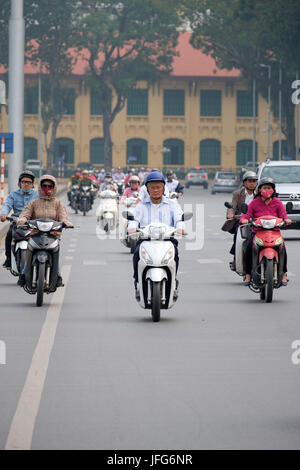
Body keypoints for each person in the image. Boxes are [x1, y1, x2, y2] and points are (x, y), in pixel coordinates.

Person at [128, 171, 185, 298]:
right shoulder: (141, 206)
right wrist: (132, 228)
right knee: (136, 255)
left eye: (158, 187)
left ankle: (173, 281)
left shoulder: (172, 205)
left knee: (174, 256)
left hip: (167, 240)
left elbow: (179, 219)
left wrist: (181, 228)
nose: (155, 190)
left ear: (163, 188)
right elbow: (134, 220)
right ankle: (137, 283)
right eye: (152, 187)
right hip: (146, 240)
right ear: (147, 189)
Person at [17, 175, 73, 287]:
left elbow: (63, 216)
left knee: (54, 253)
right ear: (40, 187)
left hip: (53, 235)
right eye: (44, 186)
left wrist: (66, 223)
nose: (47, 188)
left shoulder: (58, 203)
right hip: (35, 233)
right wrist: (22, 220)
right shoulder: (34, 203)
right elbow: (25, 214)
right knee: (29, 252)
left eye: (50, 186)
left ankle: (57, 276)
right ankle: (23, 275)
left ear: (54, 187)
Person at [240, 177, 292, 286]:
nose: (266, 190)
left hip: (275, 232)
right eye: (264, 188)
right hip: (257, 231)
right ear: (259, 190)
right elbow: (247, 215)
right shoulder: (254, 203)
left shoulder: (277, 203)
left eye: (269, 188)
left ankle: (284, 274)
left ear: (273, 190)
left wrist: (286, 220)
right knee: (248, 248)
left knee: (283, 249)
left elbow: (283, 214)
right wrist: (243, 219)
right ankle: (248, 274)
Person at [0, 171, 38, 268]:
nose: (26, 184)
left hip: (32, 223)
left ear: (32, 184)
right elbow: (7, 205)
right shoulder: (13, 195)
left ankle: (39, 260)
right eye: (23, 181)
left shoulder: (37, 195)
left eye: (29, 182)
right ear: (19, 183)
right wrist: (4, 214)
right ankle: (8, 259)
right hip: (17, 222)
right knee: (9, 235)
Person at [225, 170, 258, 270]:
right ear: (244, 182)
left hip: (257, 221)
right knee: (237, 235)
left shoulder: (259, 194)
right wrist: (230, 214)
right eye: (249, 181)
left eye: (254, 181)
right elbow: (232, 205)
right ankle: (236, 258)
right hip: (241, 221)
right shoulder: (237, 193)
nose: (252, 183)